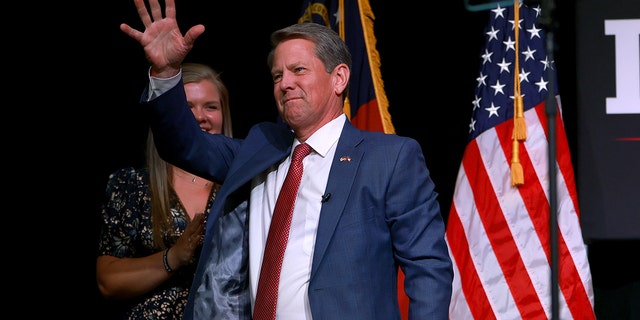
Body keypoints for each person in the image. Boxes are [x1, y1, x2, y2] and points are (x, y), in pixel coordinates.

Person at [120, 0, 453, 319]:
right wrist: (165, 73)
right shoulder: (258, 148)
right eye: (278, 75)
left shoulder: (390, 157)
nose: (285, 84)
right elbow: (182, 145)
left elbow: (428, 268)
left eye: (298, 70)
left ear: (339, 78)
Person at [95, 62, 233, 319]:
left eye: (211, 106)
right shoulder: (132, 184)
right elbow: (108, 281)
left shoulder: (245, 187)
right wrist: (173, 257)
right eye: (187, 106)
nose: (200, 116)